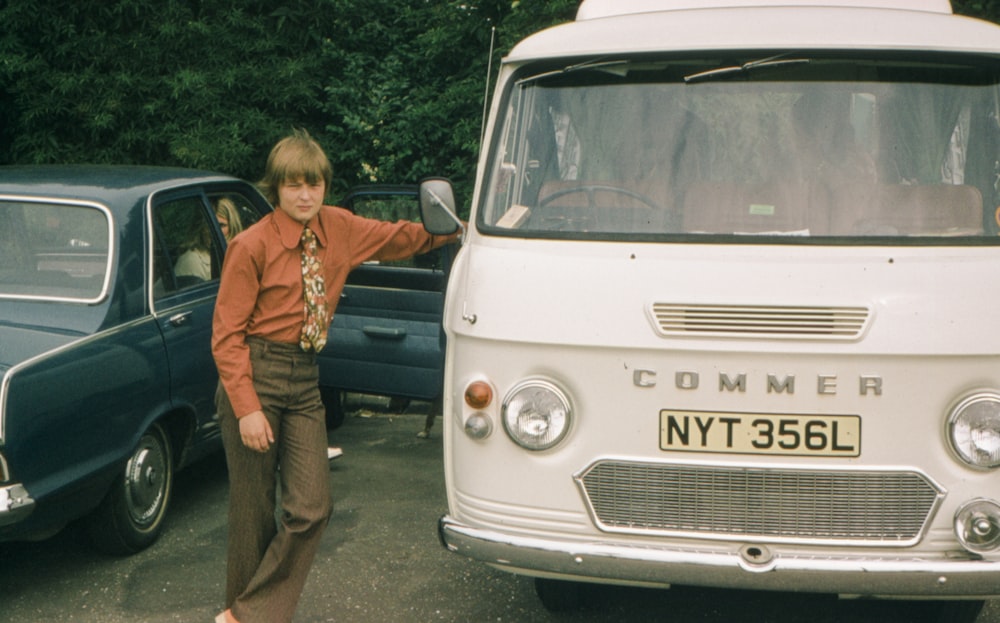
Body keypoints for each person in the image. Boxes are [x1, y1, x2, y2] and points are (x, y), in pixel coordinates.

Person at [211, 129, 459, 623]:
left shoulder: (339, 227)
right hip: (254, 373)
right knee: (253, 512)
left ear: (325, 186)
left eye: (315, 185)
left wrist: (458, 228)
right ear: (276, 189)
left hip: (304, 379)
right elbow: (226, 335)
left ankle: (246, 613)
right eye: (294, 186)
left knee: (311, 508)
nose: (306, 196)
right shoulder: (250, 244)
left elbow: (398, 237)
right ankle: (246, 617)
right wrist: (247, 408)